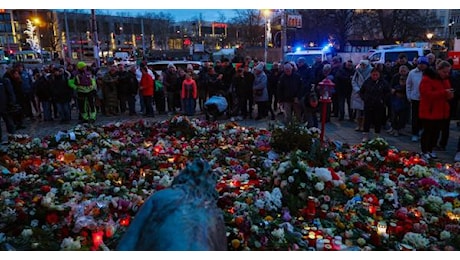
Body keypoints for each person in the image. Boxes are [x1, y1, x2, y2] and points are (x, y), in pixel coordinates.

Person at [418, 60, 453, 160]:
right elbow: (426, 94)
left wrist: (449, 94)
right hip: (429, 110)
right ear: (438, 70)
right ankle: (424, 150)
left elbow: (447, 92)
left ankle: (430, 149)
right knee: (428, 132)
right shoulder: (427, 79)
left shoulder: (445, 79)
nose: (446, 74)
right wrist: (444, 92)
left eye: (448, 72)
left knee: (436, 132)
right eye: (444, 72)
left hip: (440, 110)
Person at [359, 68, 391, 142]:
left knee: (378, 120)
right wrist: (365, 98)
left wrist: (383, 100)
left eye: (376, 75)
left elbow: (388, 92)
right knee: (367, 119)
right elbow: (362, 91)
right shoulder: (367, 82)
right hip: (368, 104)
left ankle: (377, 135)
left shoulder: (383, 83)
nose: (375, 76)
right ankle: (366, 135)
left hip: (379, 104)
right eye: (373, 74)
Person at [406, 56, 429, 142]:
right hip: (415, 98)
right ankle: (414, 133)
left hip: (426, 99)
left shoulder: (429, 73)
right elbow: (408, 85)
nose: (422, 66)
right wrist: (409, 96)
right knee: (415, 117)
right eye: (420, 64)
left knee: (424, 117)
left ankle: (422, 131)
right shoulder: (412, 73)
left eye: (424, 64)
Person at [351, 59, 372, 132]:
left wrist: (365, 90)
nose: (362, 66)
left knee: (365, 112)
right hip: (358, 93)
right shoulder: (357, 71)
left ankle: (363, 125)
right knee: (358, 112)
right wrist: (357, 89)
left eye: (364, 65)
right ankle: (358, 125)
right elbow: (353, 81)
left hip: (367, 93)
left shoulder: (371, 71)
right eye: (361, 65)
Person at [0, 76, 16, 144]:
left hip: (6, 106)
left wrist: (11, 103)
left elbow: (10, 93)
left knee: (9, 123)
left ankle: (12, 137)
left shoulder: (4, 81)